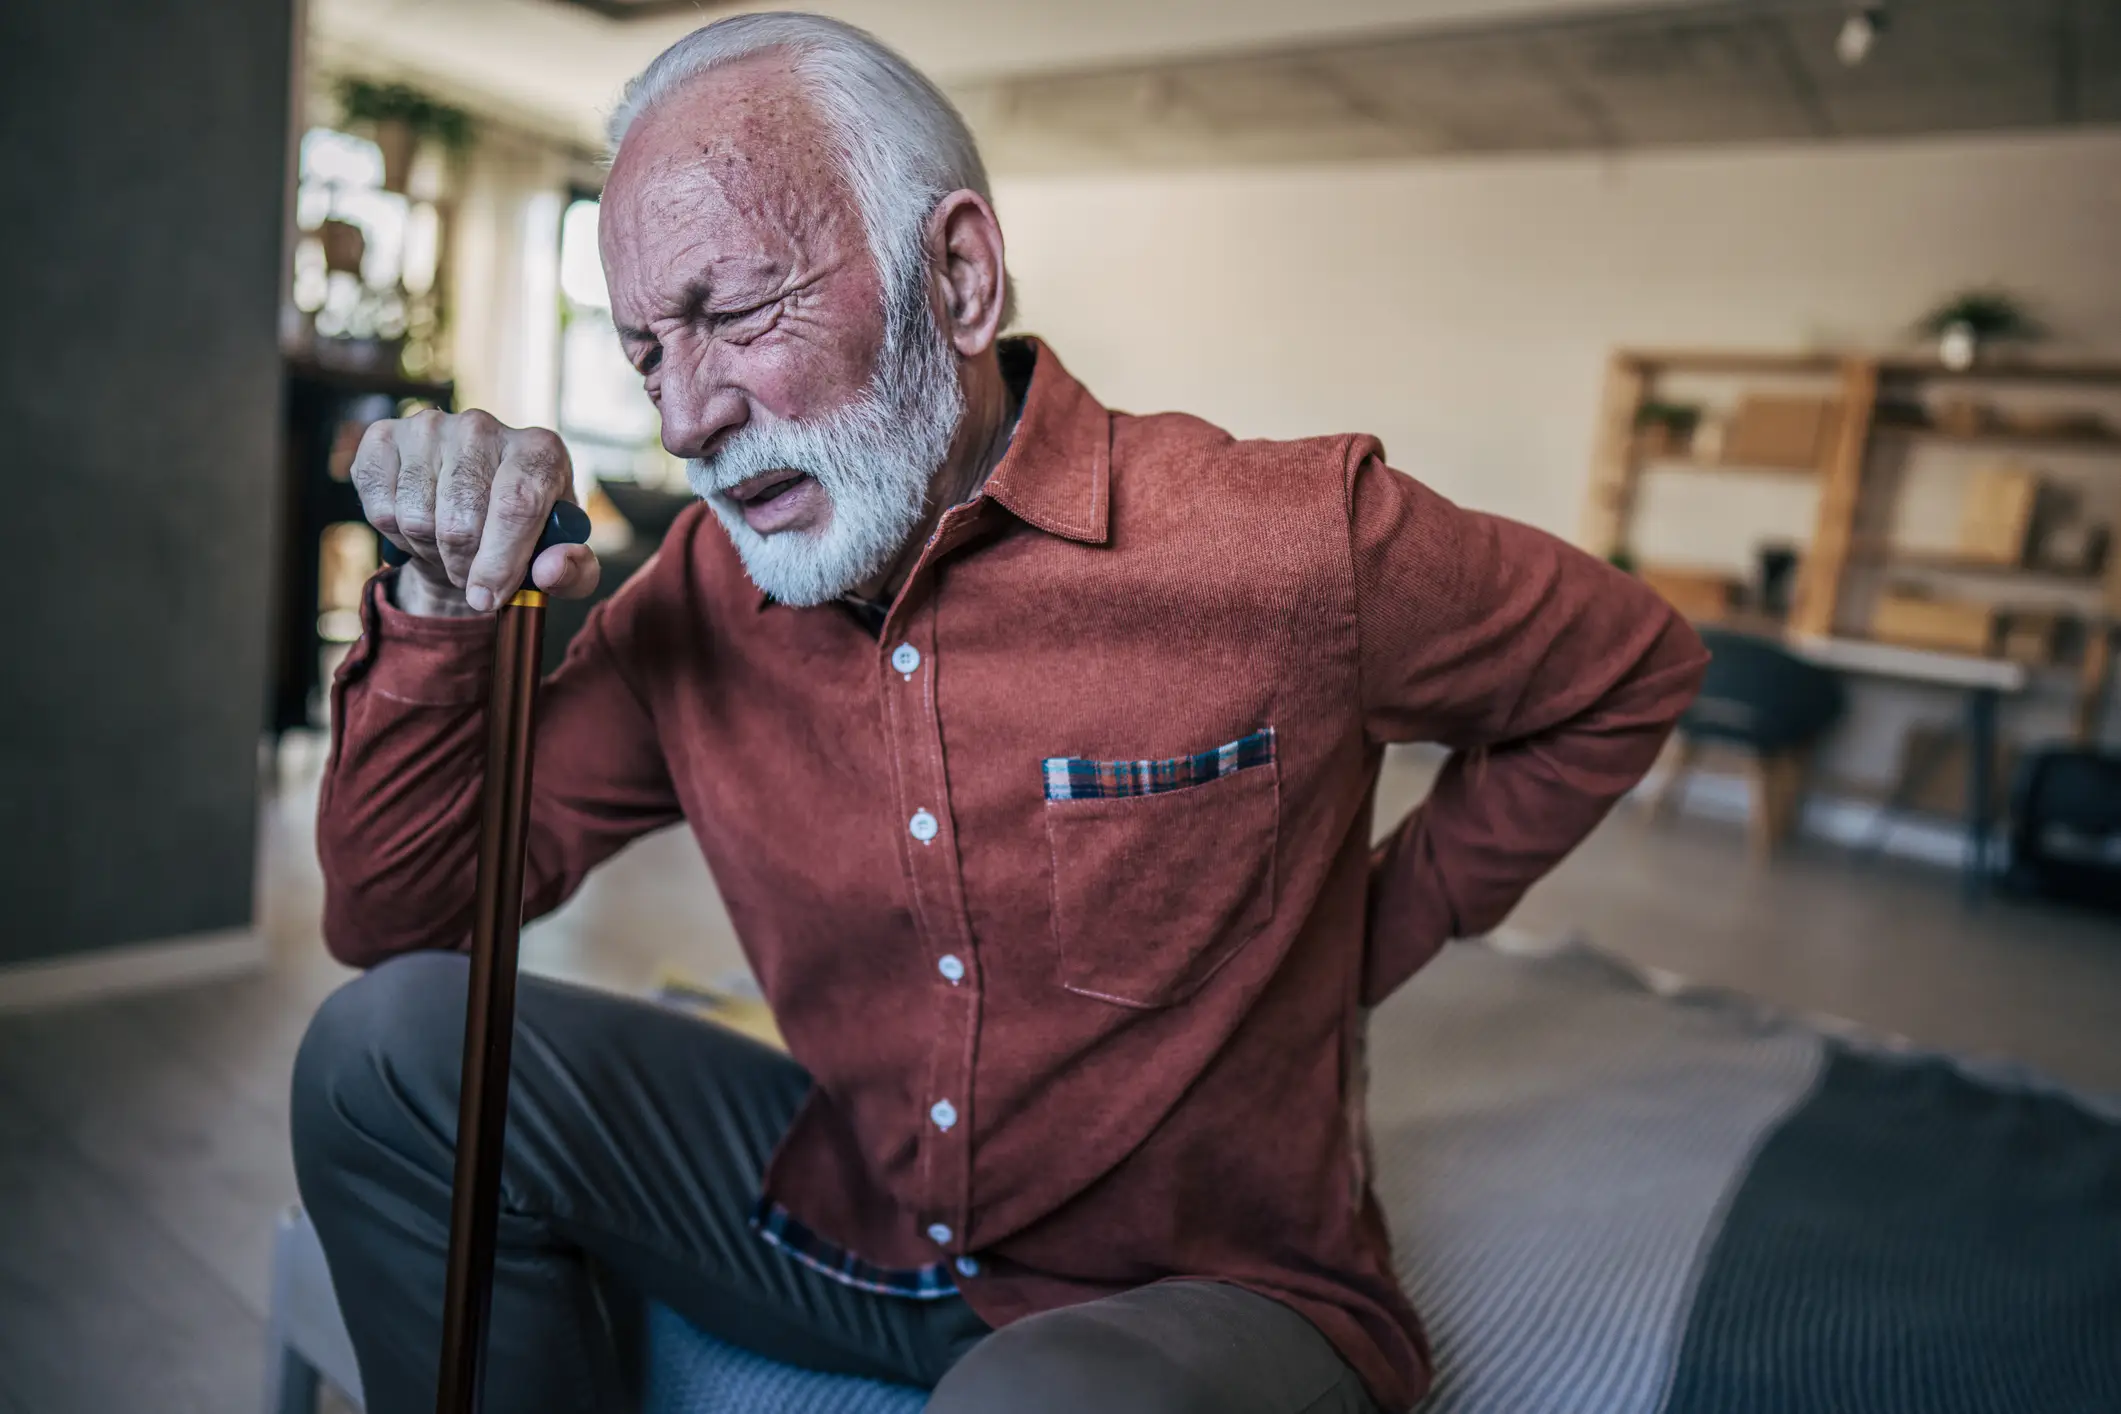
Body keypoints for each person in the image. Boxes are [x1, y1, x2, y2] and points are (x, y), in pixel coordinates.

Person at [292, 13, 1707, 1414]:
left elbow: (1626, 668)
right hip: (859, 1212)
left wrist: (1364, 935)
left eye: (733, 309)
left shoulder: (1289, 546)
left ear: (959, 277)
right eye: (651, 348)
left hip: (1199, 1280)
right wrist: (438, 610)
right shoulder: (698, 604)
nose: (686, 417)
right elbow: (399, 917)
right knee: (382, 1055)